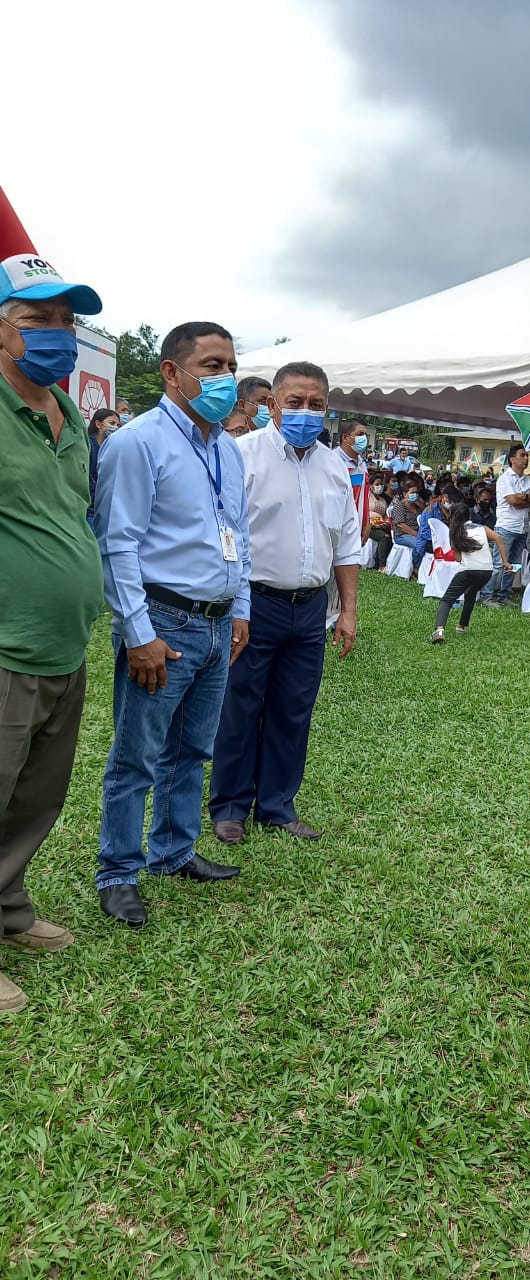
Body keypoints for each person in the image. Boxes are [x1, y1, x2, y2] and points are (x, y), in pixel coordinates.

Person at [94, 322, 252, 929]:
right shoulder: (138, 442)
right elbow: (118, 543)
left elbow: (238, 536)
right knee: (136, 756)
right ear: (171, 372)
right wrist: (139, 634)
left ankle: (174, 850)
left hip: (215, 623)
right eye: (211, 365)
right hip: (163, 620)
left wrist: (239, 609)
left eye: (230, 365)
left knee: (191, 749)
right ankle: (118, 871)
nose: (225, 378)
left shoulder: (226, 450)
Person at [0, 250, 105, 1012]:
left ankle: (8, 909)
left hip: (64, 646)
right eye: (38, 319)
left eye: (67, 321)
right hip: (5, 648)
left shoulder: (69, 417)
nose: (58, 334)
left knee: (36, 796)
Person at [209, 361, 361, 846]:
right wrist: (235, 605)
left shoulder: (334, 466)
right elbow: (223, 532)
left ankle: (276, 806)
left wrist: (348, 610)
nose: (305, 412)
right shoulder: (240, 455)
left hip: (311, 607)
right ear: (272, 404)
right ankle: (230, 806)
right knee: (240, 706)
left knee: (294, 709)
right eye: (295, 402)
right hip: (254, 602)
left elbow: (347, 544)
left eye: (316, 404)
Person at [430, 504, 511, 643]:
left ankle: (439, 630)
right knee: (470, 593)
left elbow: (458, 559)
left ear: (453, 517)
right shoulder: (482, 528)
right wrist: (505, 562)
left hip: (468, 570)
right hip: (487, 571)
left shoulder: (456, 532)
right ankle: (462, 626)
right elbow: (498, 538)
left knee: (447, 600)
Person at [481, 444, 530, 606]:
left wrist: (525, 497)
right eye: (522, 455)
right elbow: (513, 501)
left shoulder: (527, 480)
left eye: (527, 455)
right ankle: (487, 595)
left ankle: (504, 595)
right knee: (499, 563)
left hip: (522, 528)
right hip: (506, 527)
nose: (526, 458)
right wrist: (527, 499)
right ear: (512, 459)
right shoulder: (505, 478)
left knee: (514, 564)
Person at [336, 421, 370, 542]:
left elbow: (364, 496)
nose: (364, 438)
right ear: (345, 438)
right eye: (360, 434)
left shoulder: (361, 463)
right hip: (338, 528)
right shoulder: (333, 461)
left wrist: (366, 522)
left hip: (357, 527)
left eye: (365, 434)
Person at [88, 407, 121, 526]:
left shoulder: (111, 448)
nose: (116, 427)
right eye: (112, 423)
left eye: (118, 425)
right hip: (90, 510)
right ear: (99, 424)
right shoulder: (88, 446)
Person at [390, 477, 424, 549]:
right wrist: (416, 534)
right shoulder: (399, 506)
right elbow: (401, 525)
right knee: (419, 545)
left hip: (418, 532)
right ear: (405, 494)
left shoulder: (417, 505)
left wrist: (420, 504)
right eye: (412, 493)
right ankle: (415, 557)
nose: (415, 495)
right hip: (402, 535)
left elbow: (425, 514)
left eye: (416, 493)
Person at [368, 473, 392, 570]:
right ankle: (381, 565)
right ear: (371, 486)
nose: (380, 486)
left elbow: (385, 516)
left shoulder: (383, 500)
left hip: (380, 525)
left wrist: (385, 523)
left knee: (389, 537)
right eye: (377, 484)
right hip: (368, 526)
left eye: (381, 484)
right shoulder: (367, 497)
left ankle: (380, 562)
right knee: (384, 537)